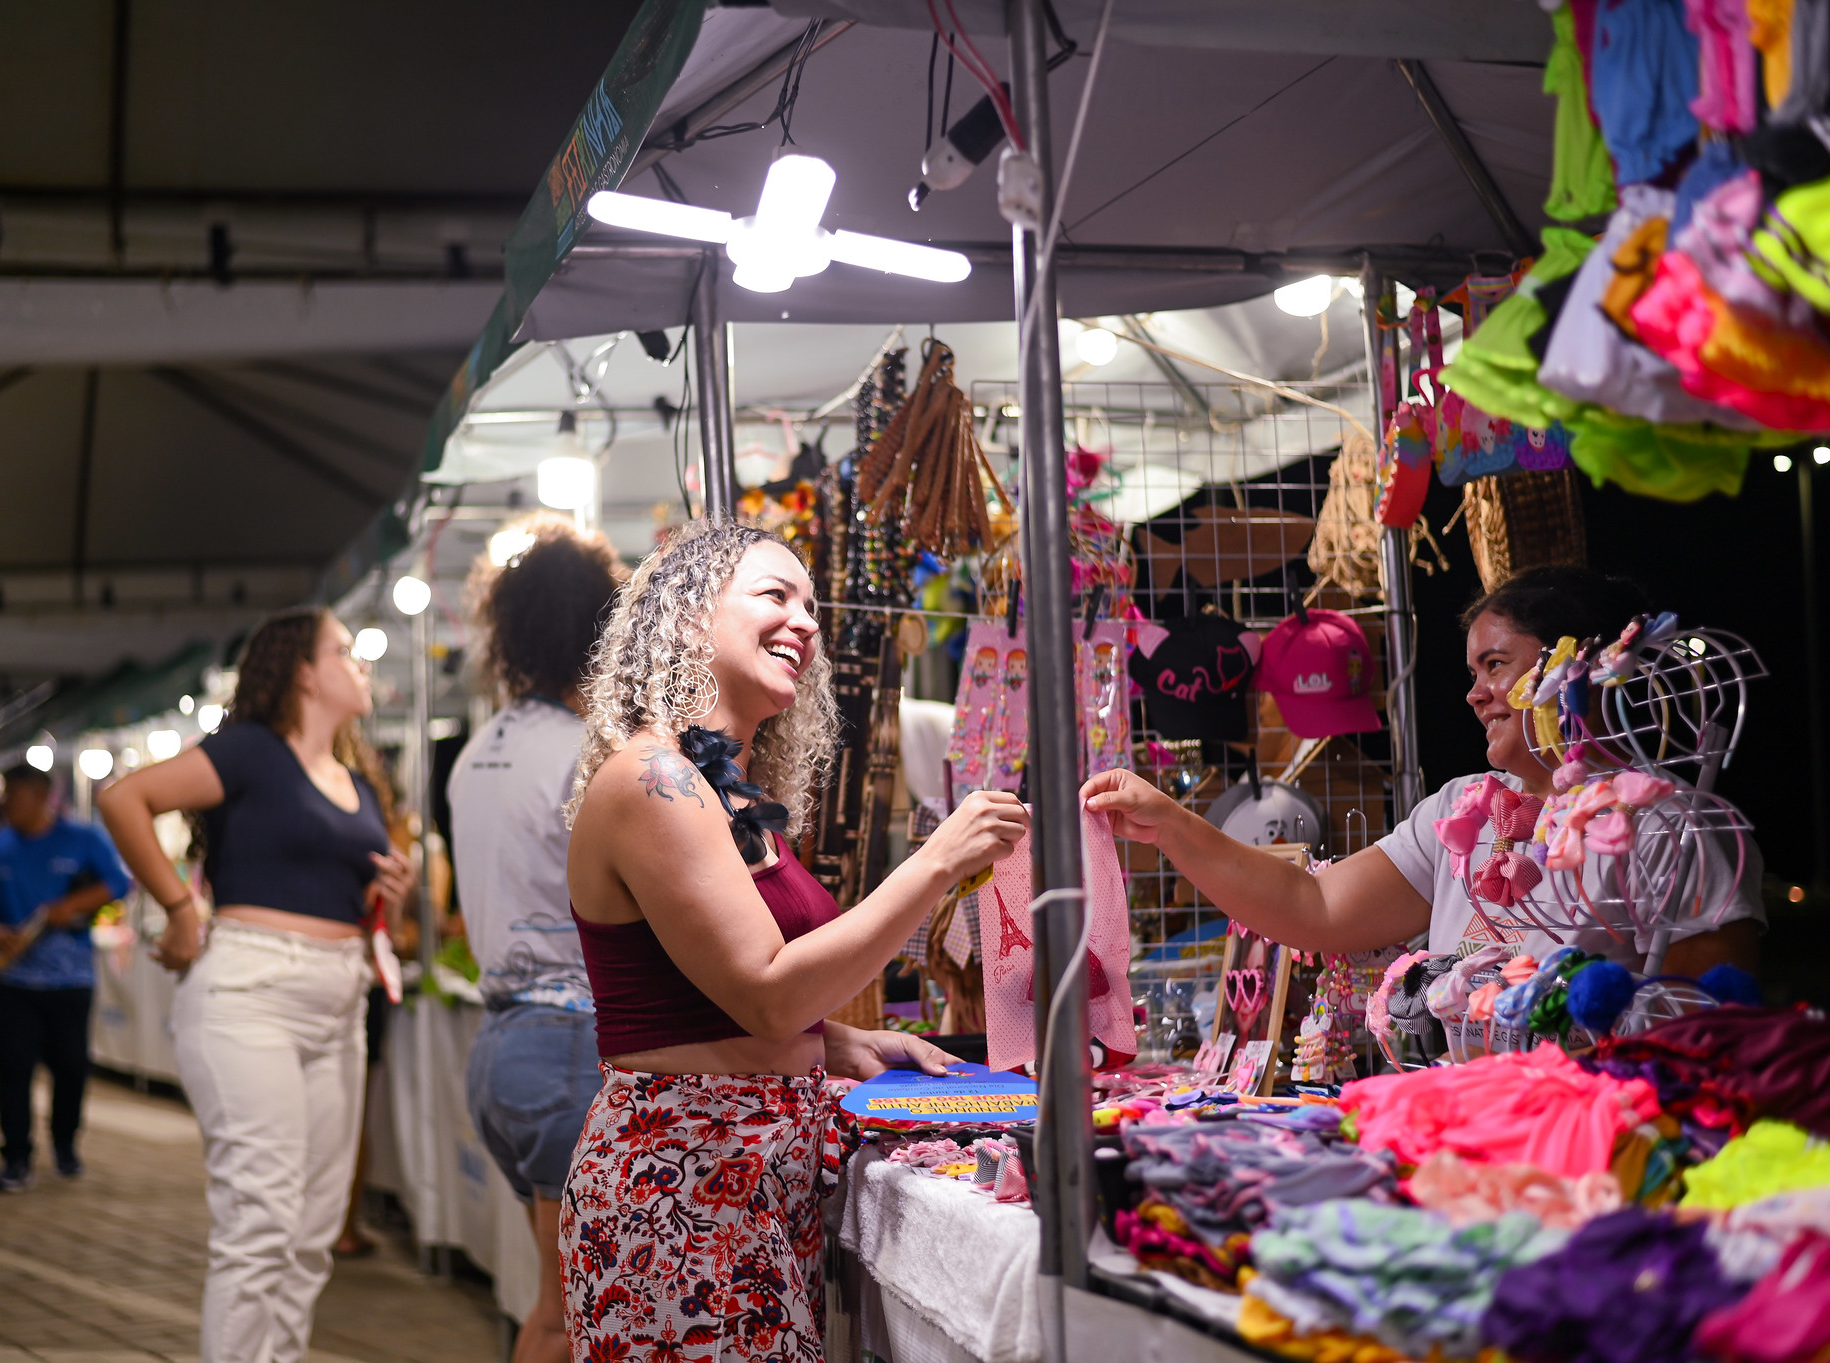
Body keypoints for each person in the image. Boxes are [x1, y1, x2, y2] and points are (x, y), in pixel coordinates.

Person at [559, 521, 1028, 1362]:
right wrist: (936, 862)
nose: (805, 621)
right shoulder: (653, 777)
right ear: (689, 616)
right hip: (682, 1189)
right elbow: (769, 993)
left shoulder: (725, 792)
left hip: (746, 1186)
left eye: (811, 604)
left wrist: (838, 1041)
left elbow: (708, 995)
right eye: (775, 595)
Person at [1083, 565, 1764, 973]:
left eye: (1495, 665)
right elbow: (1312, 906)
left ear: (1575, 664)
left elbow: (1701, 1029)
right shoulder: (1462, 810)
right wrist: (1171, 825)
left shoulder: (1670, 827)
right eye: (1473, 672)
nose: (1476, 695)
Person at [96, 607, 414, 1363]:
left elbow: (370, 914)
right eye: (344, 650)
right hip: (251, 994)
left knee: (311, 1233)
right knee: (261, 1224)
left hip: (342, 1000)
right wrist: (181, 910)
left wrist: (393, 899)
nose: (361, 663)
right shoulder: (249, 751)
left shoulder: (359, 781)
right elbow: (122, 798)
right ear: (302, 670)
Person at [447, 515, 622, 1363]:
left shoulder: (478, 750)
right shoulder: (585, 755)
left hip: (504, 1047)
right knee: (567, 1317)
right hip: (566, 1046)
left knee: (560, 1306)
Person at [0, 762, 133, 1192]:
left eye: (15, 794)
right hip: (9, 982)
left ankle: (65, 1145)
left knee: (71, 1069)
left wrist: (71, 906)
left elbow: (119, 883)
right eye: (6, 794)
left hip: (70, 980)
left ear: (43, 797)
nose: (7, 802)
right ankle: (16, 1157)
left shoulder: (84, 839)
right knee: (13, 1070)